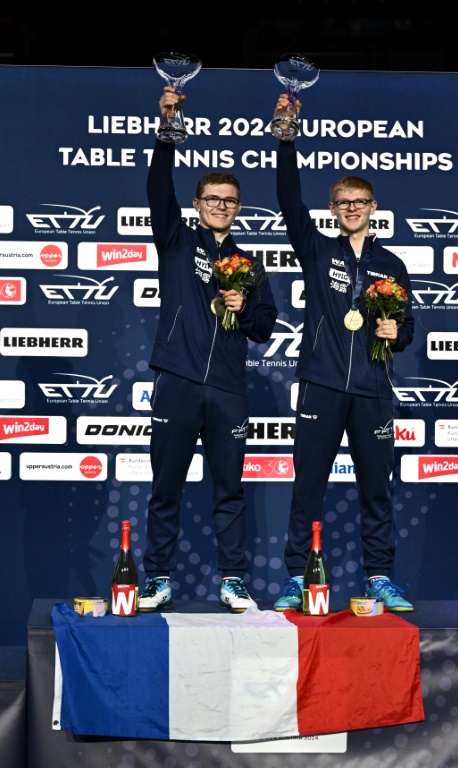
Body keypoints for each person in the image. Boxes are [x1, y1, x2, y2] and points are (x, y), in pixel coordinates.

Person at [272, 93, 415, 613]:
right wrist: (287, 140)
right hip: (323, 386)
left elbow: (408, 329)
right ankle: (296, 575)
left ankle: (379, 576)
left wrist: (392, 330)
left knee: (376, 490)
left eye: (360, 203)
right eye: (342, 203)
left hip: (374, 391)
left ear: (373, 209)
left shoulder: (392, 265)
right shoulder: (317, 250)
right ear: (332, 211)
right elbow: (289, 203)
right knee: (307, 486)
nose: (351, 209)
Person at [138, 86, 278, 614]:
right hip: (176, 378)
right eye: (212, 199)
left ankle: (234, 580)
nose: (221, 206)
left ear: (239, 210)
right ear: (197, 205)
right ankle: (157, 578)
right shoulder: (175, 239)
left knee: (230, 490)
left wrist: (242, 306)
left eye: (230, 201)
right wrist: (167, 130)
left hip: (227, 388)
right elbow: (157, 185)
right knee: (165, 486)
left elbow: (266, 327)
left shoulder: (250, 263)